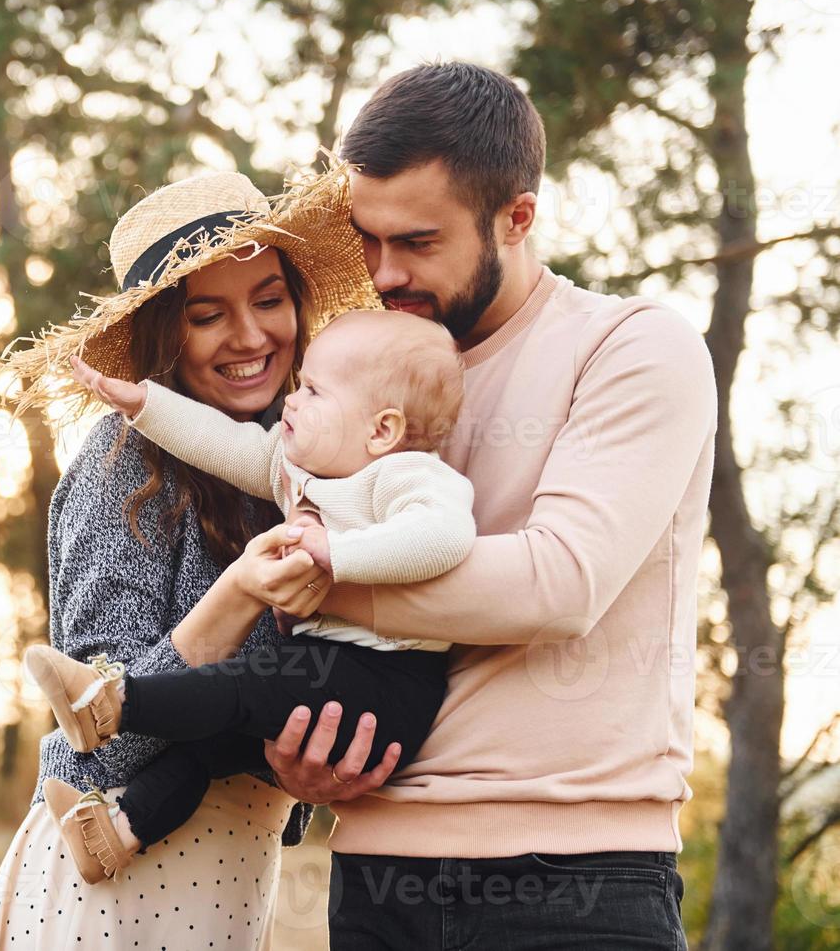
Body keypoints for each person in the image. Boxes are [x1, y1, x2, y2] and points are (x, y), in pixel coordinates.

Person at [265, 62, 716, 949]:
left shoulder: (630, 348)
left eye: (419, 241)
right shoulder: (356, 371)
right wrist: (294, 755)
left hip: (578, 880)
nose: (385, 272)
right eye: (368, 238)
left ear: (518, 216)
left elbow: (556, 585)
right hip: (375, 871)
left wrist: (303, 577)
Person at [0, 166, 396, 948]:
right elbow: (103, 737)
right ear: (166, 336)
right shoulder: (125, 462)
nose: (250, 336)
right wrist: (236, 593)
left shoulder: (300, 467)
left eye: (269, 300)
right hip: (110, 893)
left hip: (231, 888)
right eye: (209, 315)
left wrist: (303, 773)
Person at [25, 308, 476, 885]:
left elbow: (444, 538)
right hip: (333, 673)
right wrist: (142, 404)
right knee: (202, 750)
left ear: (381, 430)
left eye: (314, 391)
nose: (293, 399)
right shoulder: (296, 468)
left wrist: (337, 553)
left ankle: (116, 705)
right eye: (301, 383)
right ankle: (117, 832)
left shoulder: (408, 475)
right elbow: (224, 443)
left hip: (388, 680)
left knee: (246, 682)